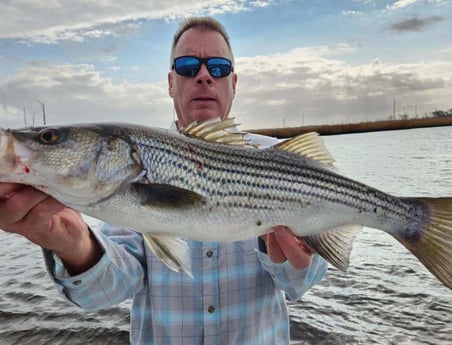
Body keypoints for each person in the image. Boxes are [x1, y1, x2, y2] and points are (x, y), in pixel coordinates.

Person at [0, 17, 327, 344]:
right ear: (171, 82)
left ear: (234, 82)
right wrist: (71, 243)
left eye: (218, 66)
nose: (203, 76)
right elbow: (107, 288)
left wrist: (294, 256)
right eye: (187, 66)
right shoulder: (128, 181)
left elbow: (300, 283)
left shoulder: (280, 159)